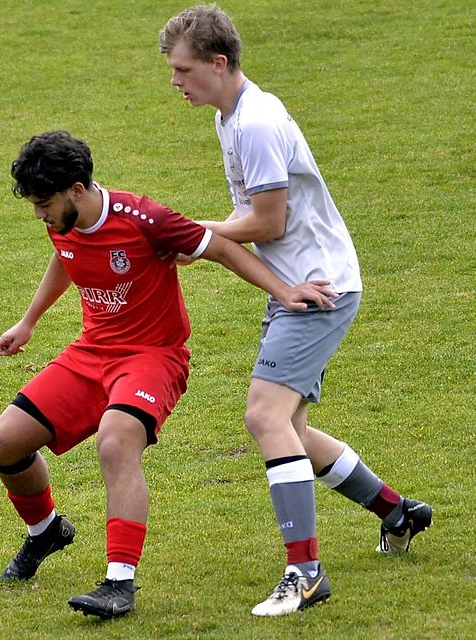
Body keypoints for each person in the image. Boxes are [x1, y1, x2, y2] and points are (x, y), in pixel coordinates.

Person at [0, 130, 336, 619]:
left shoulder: (145, 218)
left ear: (78, 190)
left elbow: (219, 248)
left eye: (44, 203)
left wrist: (284, 291)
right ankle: (46, 532)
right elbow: (67, 256)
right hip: (92, 353)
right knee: (4, 441)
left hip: (153, 356)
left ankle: (119, 584)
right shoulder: (63, 220)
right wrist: (29, 322)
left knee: (116, 441)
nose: (39, 214)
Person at [158, 5, 432, 617]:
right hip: (301, 282)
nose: (175, 81)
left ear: (218, 63)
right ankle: (398, 511)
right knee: (293, 431)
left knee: (266, 416)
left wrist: (189, 234)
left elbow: (269, 220)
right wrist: (199, 240)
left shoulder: (254, 123)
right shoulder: (233, 114)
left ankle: (305, 573)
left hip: (316, 289)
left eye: (183, 70)